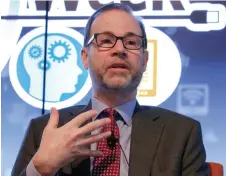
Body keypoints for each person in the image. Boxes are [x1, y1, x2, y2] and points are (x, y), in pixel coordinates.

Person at [11, 3, 210, 176]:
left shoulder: (182, 133)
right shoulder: (45, 130)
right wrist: (41, 169)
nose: (119, 50)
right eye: (105, 41)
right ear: (84, 57)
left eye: (131, 42)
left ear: (145, 60)